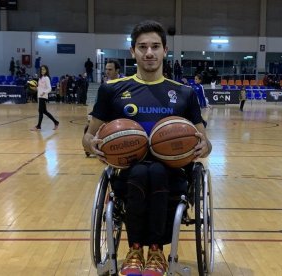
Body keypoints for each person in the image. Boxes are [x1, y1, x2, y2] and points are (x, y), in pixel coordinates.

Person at [82, 20, 212, 276]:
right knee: (143, 171)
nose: (149, 52)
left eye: (155, 46)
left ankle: (155, 251)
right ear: (133, 52)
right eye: (142, 47)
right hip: (128, 170)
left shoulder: (184, 93)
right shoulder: (112, 90)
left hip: (173, 171)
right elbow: (88, 136)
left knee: (156, 171)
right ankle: (137, 249)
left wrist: (202, 146)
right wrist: (93, 145)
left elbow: (205, 143)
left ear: (165, 50)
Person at [30, 65, 59, 131]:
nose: (42, 71)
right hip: (40, 96)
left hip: (43, 96)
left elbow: (50, 88)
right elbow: (40, 88)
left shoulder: (46, 78)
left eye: (44, 69)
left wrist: (44, 92)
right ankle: (56, 122)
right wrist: (35, 88)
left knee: (40, 111)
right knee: (44, 111)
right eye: (41, 69)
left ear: (46, 71)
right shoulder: (40, 78)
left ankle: (38, 126)